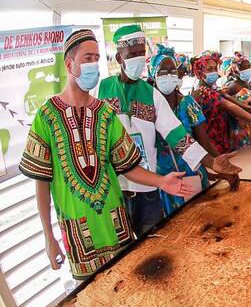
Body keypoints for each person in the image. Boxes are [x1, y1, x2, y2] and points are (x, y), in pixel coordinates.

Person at [22, 29, 195, 279]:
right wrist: (49, 237)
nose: (94, 65)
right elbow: (42, 182)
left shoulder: (104, 113)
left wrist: (161, 181)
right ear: (70, 64)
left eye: (96, 58)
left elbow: (127, 165)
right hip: (79, 232)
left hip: (116, 224)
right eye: (87, 58)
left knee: (127, 284)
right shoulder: (46, 116)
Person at [97, 25, 212, 236]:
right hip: (113, 186)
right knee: (121, 247)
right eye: (132, 54)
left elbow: (176, 134)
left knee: (152, 240)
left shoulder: (151, 94)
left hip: (147, 185)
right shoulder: (101, 89)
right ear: (119, 57)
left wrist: (212, 162)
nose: (138, 59)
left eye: (141, 53)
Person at [147, 45, 241, 215]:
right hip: (164, 177)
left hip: (192, 171)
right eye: (162, 71)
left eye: (172, 70)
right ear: (152, 74)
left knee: (200, 218)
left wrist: (219, 165)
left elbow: (203, 140)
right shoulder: (147, 108)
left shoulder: (187, 104)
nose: (169, 75)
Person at [191, 51, 251, 156]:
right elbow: (228, 104)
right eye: (209, 70)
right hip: (210, 131)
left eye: (215, 69)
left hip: (219, 127)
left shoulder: (213, 86)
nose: (214, 72)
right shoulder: (207, 90)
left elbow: (227, 97)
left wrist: (244, 106)